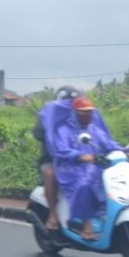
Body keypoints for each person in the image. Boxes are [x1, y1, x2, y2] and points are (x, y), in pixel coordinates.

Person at [48, 96, 129, 241]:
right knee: (84, 184)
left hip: (93, 167)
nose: (89, 115)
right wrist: (80, 156)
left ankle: (104, 216)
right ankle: (86, 224)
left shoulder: (94, 130)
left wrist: (128, 153)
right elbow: (61, 150)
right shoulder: (64, 130)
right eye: (85, 112)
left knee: (110, 181)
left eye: (90, 112)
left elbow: (110, 145)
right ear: (76, 113)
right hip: (70, 168)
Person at [32, 86, 82, 230]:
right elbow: (37, 134)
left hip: (75, 160)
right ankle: (53, 214)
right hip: (51, 160)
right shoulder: (48, 116)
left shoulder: (80, 116)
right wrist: (48, 130)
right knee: (50, 174)